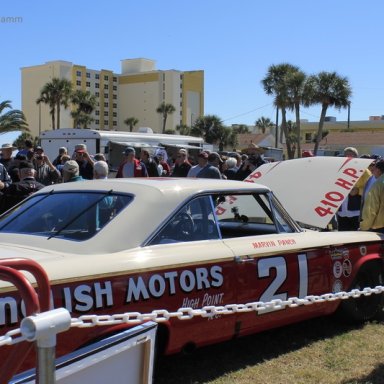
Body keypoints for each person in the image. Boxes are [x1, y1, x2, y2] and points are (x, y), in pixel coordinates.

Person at [337, 147, 369, 231]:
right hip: (341, 210)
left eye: (351, 155)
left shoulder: (364, 170)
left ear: (356, 157)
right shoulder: (339, 169)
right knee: (341, 236)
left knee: (354, 236)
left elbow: (370, 187)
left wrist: (358, 191)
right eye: (346, 155)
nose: (349, 157)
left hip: (356, 210)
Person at [360, 159, 384, 233]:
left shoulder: (378, 184)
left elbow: (371, 209)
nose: (372, 172)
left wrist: (364, 227)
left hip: (380, 227)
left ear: (378, 170)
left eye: (374, 170)